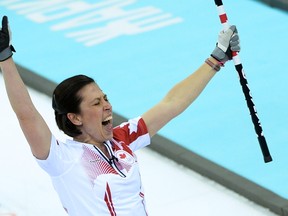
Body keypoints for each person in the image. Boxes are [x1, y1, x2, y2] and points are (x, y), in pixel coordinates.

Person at [0, 15, 240, 216]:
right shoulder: (61, 158)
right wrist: (5, 58)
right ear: (75, 118)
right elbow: (27, 115)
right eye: (96, 103)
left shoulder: (122, 139)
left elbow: (171, 104)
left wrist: (217, 58)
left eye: (105, 98)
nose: (107, 106)